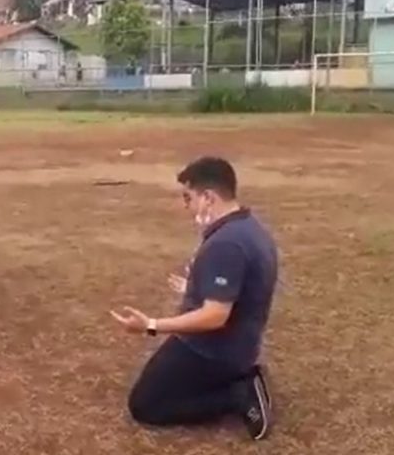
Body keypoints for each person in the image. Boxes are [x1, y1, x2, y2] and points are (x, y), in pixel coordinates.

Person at [110, 156, 278, 441]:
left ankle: (238, 394)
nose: (186, 206)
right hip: (238, 344)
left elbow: (215, 316)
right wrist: (196, 286)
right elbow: (242, 287)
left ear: (209, 198)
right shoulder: (247, 226)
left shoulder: (226, 244)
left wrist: (151, 325)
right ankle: (237, 380)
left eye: (189, 198)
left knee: (145, 406)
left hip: (214, 351)